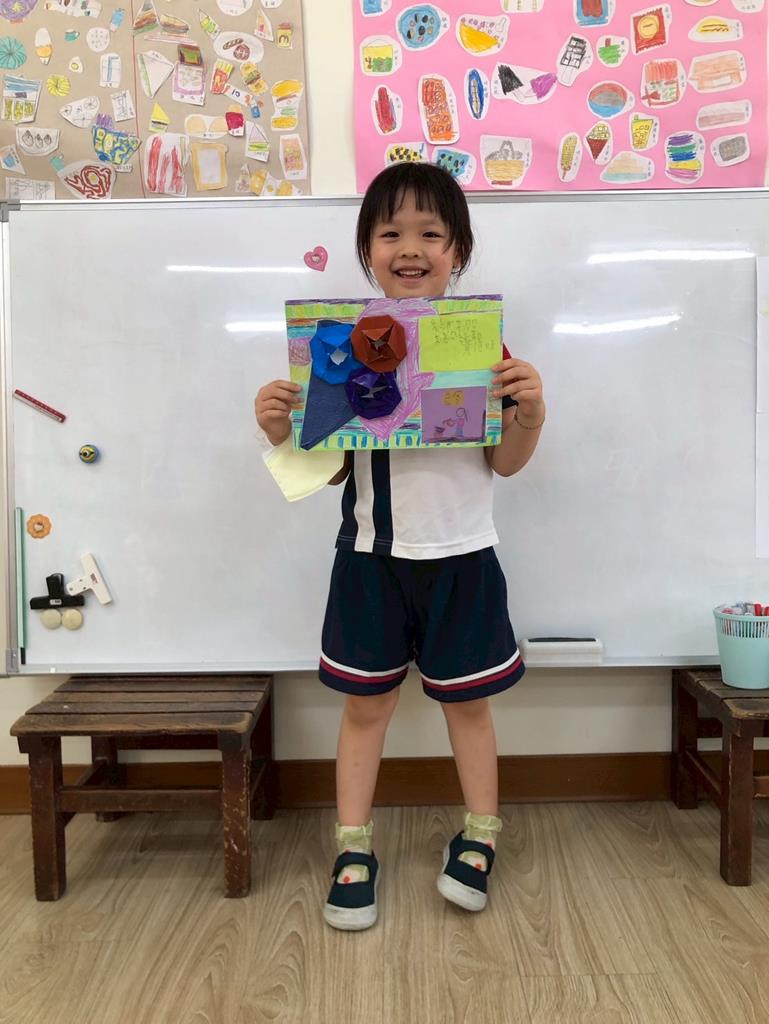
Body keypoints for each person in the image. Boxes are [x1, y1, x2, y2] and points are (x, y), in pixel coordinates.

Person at [254, 163, 545, 931]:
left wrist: (530, 413)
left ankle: (480, 835)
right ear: (367, 252)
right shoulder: (342, 345)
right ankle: (352, 847)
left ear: (458, 251)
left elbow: (504, 463)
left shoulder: (482, 346)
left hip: (463, 556)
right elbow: (329, 468)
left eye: (430, 233)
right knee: (365, 707)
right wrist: (283, 427)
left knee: (469, 707)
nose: (409, 248)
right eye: (389, 233)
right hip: (369, 557)